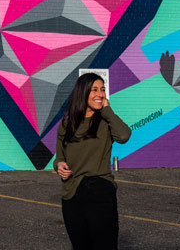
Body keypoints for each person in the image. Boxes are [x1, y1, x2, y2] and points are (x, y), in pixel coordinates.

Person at [54, 73, 131, 249]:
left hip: (100, 189)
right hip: (71, 193)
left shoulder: (105, 122)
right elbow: (59, 157)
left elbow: (124, 135)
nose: (100, 94)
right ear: (82, 92)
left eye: (103, 90)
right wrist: (59, 165)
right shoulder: (66, 126)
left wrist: (108, 110)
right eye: (95, 89)